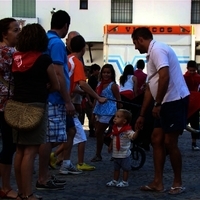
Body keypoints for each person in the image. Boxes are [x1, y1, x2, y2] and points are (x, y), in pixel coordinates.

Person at [132, 27, 189, 195]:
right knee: (156, 139)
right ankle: (158, 182)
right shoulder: (151, 55)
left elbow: (165, 76)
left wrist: (158, 104)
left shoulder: (157, 49)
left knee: (170, 143)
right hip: (163, 102)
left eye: (135, 43)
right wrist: (143, 114)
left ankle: (177, 182)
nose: (135, 47)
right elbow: (150, 87)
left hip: (174, 100)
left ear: (141, 39)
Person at [12, 23, 59, 200]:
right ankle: (28, 194)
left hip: (16, 106)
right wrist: (44, 87)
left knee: (20, 150)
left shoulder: (16, 58)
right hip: (36, 107)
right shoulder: (43, 59)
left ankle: (20, 192)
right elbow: (56, 85)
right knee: (31, 151)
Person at [36, 10, 76, 191]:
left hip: (46, 96)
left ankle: (44, 175)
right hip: (55, 98)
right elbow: (59, 74)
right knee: (50, 138)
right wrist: (68, 100)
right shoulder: (57, 44)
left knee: (54, 136)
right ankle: (42, 178)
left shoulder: (44, 40)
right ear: (66, 25)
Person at [67, 34, 106, 171]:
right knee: (80, 136)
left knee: (69, 133)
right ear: (83, 48)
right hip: (67, 102)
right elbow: (82, 83)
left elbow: (72, 84)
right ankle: (79, 162)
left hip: (64, 99)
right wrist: (98, 97)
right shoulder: (77, 62)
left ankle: (61, 160)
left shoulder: (68, 59)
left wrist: (78, 91)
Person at [0, 17, 20, 199]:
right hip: (7, 106)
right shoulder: (11, 53)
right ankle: (5, 187)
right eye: (15, 30)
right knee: (9, 146)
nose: (18, 33)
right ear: (4, 33)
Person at [91, 64, 121, 162]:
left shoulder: (113, 85)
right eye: (104, 72)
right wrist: (93, 112)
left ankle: (99, 154)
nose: (106, 74)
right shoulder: (99, 84)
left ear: (112, 74)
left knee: (99, 132)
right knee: (99, 134)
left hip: (109, 111)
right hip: (99, 109)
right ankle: (100, 153)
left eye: (108, 72)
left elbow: (118, 99)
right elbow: (96, 97)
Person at [106, 109, 138, 187]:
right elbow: (113, 138)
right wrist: (110, 146)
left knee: (125, 169)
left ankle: (125, 181)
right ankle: (115, 180)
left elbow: (133, 136)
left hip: (124, 154)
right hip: (116, 153)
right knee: (116, 168)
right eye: (115, 116)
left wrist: (137, 131)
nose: (115, 118)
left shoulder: (127, 130)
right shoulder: (114, 128)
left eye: (118, 117)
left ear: (124, 121)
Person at [184, 60, 200, 150]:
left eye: (193, 71)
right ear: (187, 69)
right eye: (190, 70)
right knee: (182, 123)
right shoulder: (183, 77)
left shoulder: (198, 78)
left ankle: (194, 143)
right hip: (186, 104)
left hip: (195, 104)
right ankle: (174, 141)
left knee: (195, 124)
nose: (192, 72)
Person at [86, 63, 101, 137]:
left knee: (92, 115)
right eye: (98, 70)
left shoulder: (94, 79)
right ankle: (92, 130)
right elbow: (89, 91)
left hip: (93, 99)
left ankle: (93, 130)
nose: (99, 72)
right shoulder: (92, 79)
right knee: (91, 116)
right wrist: (89, 101)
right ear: (94, 70)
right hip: (92, 100)